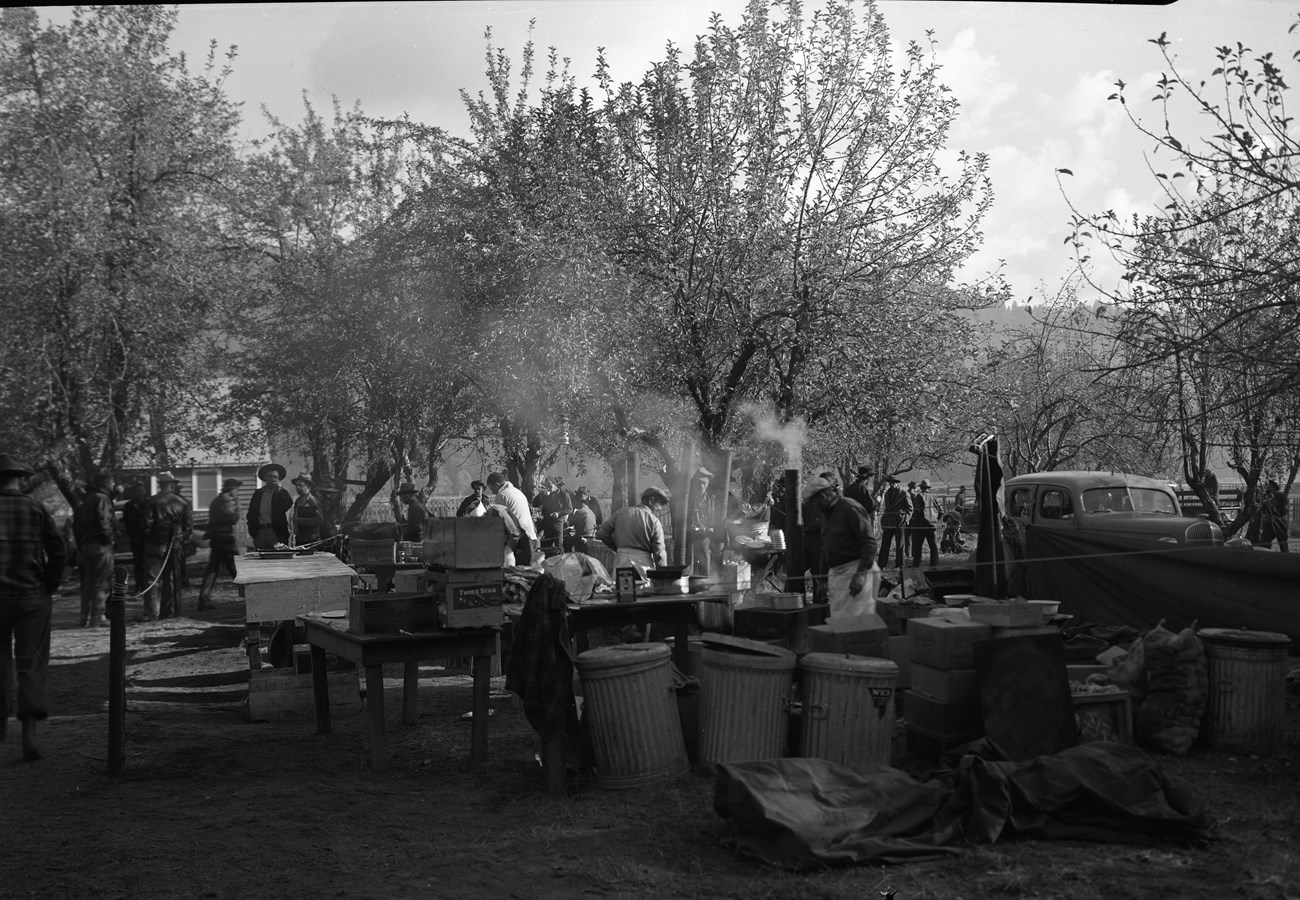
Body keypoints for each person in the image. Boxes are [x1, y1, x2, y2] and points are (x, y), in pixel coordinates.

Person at [0, 455, 67, 761]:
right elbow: (58, 548)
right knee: (32, 662)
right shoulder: (35, 508)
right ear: (20, 479)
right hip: (31, 596)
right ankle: (29, 730)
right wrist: (49, 585)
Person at [801, 475, 879, 619]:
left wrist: (860, 575)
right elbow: (825, 548)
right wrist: (822, 581)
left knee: (857, 623)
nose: (813, 507)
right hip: (837, 574)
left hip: (856, 572)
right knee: (839, 620)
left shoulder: (850, 508)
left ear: (823, 497)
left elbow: (869, 543)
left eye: (813, 503)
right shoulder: (825, 515)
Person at [142, 471, 192, 620]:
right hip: (174, 547)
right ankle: (166, 611)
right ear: (172, 485)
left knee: (152, 580)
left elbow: (146, 525)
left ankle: (152, 613)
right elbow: (188, 528)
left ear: (160, 486)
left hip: (155, 545)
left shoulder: (151, 501)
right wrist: (183, 543)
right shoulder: (183, 503)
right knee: (169, 579)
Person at [73, 471, 117, 627]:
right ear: (105, 483)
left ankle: (84, 617)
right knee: (102, 583)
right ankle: (98, 617)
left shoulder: (86, 501)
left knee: (88, 583)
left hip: (86, 546)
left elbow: (76, 525)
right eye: (112, 482)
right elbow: (104, 522)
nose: (114, 485)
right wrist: (110, 540)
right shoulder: (102, 499)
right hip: (101, 547)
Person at [595, 487, 670, 572]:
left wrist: (617, 548)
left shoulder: (620, 513)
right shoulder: (653, 521)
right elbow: (659, 552)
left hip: (621, 562)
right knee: (642, 585)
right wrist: (663, 573)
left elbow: (602, 533)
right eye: (659, 504)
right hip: (642, 564)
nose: (659, 509)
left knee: (622, 584)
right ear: (651, 500)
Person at [198, 477, 241, 610]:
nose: (237, 492)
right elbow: (232, 518)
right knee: (238, 571)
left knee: (212, 570)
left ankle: (203, 600)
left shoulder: (217, 500)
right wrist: (238, 507)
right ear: (231, 489)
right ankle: (250, 598)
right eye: (236, 489)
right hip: (225, 540)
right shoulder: (226, 500)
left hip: (217, 539)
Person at [486, 472, 539, 565]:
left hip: (520, 540)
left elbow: (502, 521)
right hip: (531, 537)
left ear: (497, 485)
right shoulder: (518, 492)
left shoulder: (502, 495)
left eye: (492, 488)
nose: (493, 492)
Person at [800, 470, 836, 603]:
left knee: (819, 573)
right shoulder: (811, 500)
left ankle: (819, 602)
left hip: (820, 540)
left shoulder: (833, 503)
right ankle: (797, 598)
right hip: (807, 538)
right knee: (798, 570)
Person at [247, 463, 292, 550]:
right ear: (265, 478)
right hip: (260, 532)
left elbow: (287, 504)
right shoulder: (258, 494)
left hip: (276, 532)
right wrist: (253, 531)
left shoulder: (281, 493)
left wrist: (280, 491)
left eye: (275, 477)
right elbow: (251, 514)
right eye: (270, 476)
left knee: (279, 559)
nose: (273, 479)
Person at [688, 467, 718, 577]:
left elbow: (716, 517)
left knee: (705, 555)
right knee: (691, 559)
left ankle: (706, 580)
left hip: (706, 534)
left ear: (707, 485)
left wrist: (711, 528)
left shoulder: (711, 500)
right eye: (699, 483)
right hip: (691, 535)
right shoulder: (689, 500)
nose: (701, 486)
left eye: (704, 484)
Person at [121, 481, 151, 594]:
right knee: (138, 562)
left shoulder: (149, 503)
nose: (141, 493)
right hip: (136, 538)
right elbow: (127, 521)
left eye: (142, 490)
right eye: (138, 490)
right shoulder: (129, 505)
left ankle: (149, 585)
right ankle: (139, 584)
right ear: (134, 492)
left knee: (149, 562)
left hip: (148, 537)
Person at [534, 476, 573, 555]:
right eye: (547, 486)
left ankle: (561, 564)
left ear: (555, 485)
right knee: (546, 547)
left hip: (558, 524)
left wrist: (558, 513)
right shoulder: (546, 495)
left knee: (559, 546)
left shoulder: (563, 494)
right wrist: (540, 494)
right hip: (547, 524)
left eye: (550, 486)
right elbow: (535, 504)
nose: (549, 488)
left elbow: (569, 508)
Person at [877, 475, 909, 569]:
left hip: (899, 522)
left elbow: (910, 509)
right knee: (885, 544)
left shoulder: (903, 493)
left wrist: (905, 519)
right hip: (888, 522)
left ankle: (899, 565)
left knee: (900, 545)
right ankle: (881, 564)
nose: (891, 484)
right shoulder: (887, 493)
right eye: (890, 482)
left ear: (896, 483)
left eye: (893, 482)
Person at [910, 479, 940, 568]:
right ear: (928, 488)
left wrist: (914, 520)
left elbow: (916, 511)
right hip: (932, 525)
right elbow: (941, 511)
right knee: (933, 546)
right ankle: (934, 564)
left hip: (921, 525)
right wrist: (935, 519)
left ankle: (916, 563)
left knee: (918, 546)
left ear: (921, 487)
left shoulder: (919, 496)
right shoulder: (934, 497)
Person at [290, 474, 325, 546]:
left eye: (301, 485)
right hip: (300, 539)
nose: (298, 487)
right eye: (296, 485)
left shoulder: (313, 502)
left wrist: (299, 520)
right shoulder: (297, 501)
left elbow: (320, 520)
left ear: (308, 486)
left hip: (312, 540)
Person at [1256, 479, 1290, 552]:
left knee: (1283, 544)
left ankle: (1286, 559)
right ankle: (1266, 557)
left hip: (1280, 523)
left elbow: (1281, 510)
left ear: (1274, 487)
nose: (1268, 488)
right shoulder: (1266, 497)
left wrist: (1273, 500)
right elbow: (1263, 510)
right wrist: (1263, 502)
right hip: (1269, 523)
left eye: (1270, 486)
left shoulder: (1281, 496)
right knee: (1264, 542)